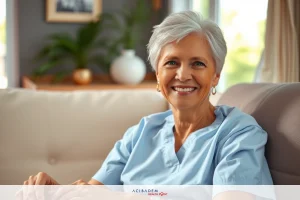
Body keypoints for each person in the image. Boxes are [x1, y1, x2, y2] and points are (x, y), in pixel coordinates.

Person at [23, 10, 273, 193]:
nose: (183, 74)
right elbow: (94, 191)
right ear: (157, 75)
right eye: (171, 62)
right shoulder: (139, 134)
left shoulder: (239, 134)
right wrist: (57, 193)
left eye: (198, 63)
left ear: (216, 75)